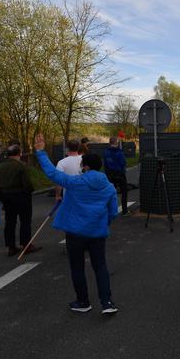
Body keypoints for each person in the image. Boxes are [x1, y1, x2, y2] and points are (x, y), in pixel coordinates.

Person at [34, 134, 119, 315]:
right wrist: (104, 223)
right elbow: (113, 211)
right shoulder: (109, 187)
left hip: (75, 233)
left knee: (77, 267)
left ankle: (83, 301)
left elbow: (52, 173)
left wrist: (40, 152)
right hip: (97, 233)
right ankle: (107, 303)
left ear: (85, 166)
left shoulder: (74, 183)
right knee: (100, 267)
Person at [0, 144, 39, 257]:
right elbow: (26, 183)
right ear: (19, 153)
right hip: (20, 196)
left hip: (6, 196)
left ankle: (11, 246)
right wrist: (29, 192)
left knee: (10, 222)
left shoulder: (0, 166)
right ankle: (26, 244)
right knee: (25, 221)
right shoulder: (21, 165)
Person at [104, 137, 129, 216]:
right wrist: (123, 172)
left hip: (110, 175)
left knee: (111, 193)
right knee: (124, 192)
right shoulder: (119, 152)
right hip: (120, 174)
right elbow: (123, 163)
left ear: (109, 143)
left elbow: (105, 164)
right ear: (116, 143)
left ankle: (110, 210)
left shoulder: (106, 152)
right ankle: (125, 211)